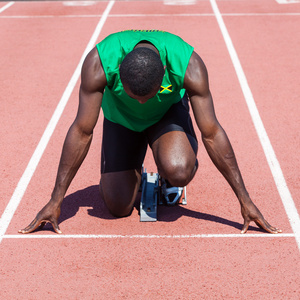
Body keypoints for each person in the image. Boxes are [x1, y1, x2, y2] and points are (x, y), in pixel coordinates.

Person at [19, 30, 281, 234]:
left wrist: (245, 200)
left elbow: (211, 132)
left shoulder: (187, 64)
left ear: (164, 75)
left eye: (147, 96)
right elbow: (82, 130)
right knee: (117, 207)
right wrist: (56, 200)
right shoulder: (100, 62)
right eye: (135, 97)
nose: (141, 102)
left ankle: (168, 172)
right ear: (119, 76)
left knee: (178, 170)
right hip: (121, 120)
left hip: (166, 115)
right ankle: (138, 172)